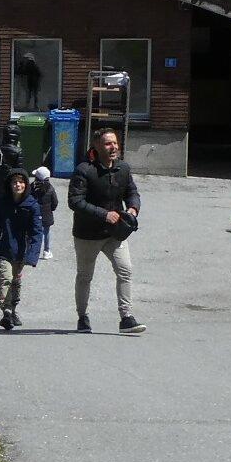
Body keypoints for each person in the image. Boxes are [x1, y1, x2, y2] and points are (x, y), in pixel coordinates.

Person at [67, 126, 145, 333]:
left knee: (125, 270)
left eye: (115, 143)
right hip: (87, 234)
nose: (113, 147)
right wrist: (104, 214)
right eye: (108, 144)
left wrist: (133, 208)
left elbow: (132, 192)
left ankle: (126, 318)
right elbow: (75, 201)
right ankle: (82, 317)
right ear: (97, 146)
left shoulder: (123, 168)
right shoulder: (84, 170)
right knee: (85, 276)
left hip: (115, 233)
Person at [0, 168, 43, 331]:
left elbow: (37, 232)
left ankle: (13, 309)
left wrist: (33, 255)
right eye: (14, 182)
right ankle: (6, 312)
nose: (18, 185)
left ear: (26, 184)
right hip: (3, 248)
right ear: (9, 185)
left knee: (16, 281)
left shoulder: (32, 205)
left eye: (21, 182)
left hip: (21, 251)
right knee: (6, 278)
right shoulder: (1, 203)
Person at [29, 163, 58, 261]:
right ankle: (46, 251)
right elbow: (55, 202)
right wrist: (51, 209)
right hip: (47, 214)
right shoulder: (50, 188)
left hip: (34, 214)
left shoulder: (32, 187)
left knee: (33, 232)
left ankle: (31, 251)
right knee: (46, 233)